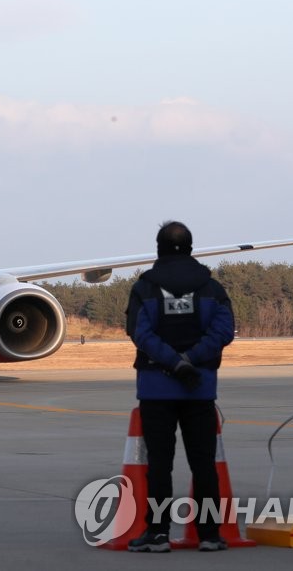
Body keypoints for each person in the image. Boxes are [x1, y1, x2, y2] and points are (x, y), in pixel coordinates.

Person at [125, 221, 235, 553]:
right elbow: (224, 331)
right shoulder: (211, 288)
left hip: (157, 388)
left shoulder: (145, 287)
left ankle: (158, 533)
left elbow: (140, 334)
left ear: (158, 248)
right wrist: (191, 359)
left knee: (159, 464)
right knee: (204, 463)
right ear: (190, 247)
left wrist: (173, 362)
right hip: (199, 388)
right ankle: (210, 534)